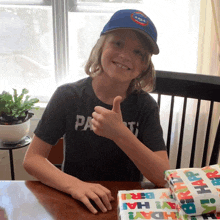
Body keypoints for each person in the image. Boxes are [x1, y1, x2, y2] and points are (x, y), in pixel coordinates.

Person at [23, 9, 170, 214]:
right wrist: (75, 186)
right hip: (76, 199)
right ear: (100, 47)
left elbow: (163, 177)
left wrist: (120, 133)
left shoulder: (145, 106)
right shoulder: (68, 96)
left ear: (144, 65)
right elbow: (32, 159)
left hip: (125, 203)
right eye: (118, 43)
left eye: (139, 52)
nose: (126, 55)